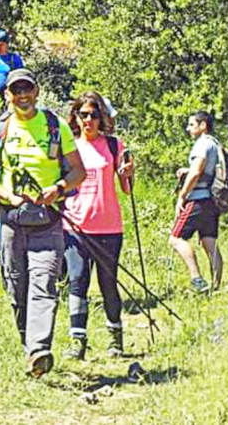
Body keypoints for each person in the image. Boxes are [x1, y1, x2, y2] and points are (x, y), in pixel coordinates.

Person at [0, 68, 85, 378]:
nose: (22, 95)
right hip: (11, 221)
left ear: (36, 92)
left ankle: (39, 349)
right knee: (17, 288)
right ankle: (30, 348)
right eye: (16, 90)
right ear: (7, 95)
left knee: (44, 283)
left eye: (27, 89)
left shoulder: (55, 126)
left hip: (48, 221)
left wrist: (59, 188)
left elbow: (79, 171)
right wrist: (6, 193)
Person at [62, 91, 133, 360]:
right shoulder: (70, 146)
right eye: (83, 115)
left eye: (93, 115)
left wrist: (127, 174)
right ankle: (77, 342)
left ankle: (116, 340)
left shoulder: (114, 145)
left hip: (109, 227)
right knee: (77, 282)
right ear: (76, 117)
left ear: (101, 118)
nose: (88, 120)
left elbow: (127, 189)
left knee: (108, 283)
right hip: (75, 225)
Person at [168, 111, 224, 293]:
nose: (188, 128)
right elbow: (204, 169)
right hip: (212, 201)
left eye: (192, 124)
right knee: (210, 243)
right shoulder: (214, 144)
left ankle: (197, 280)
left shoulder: (201, 144)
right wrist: (188, 169)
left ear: (203, 126)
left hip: (197, 200)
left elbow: (197, 171)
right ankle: (216, 288)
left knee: (176, 239)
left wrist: (182, 195)